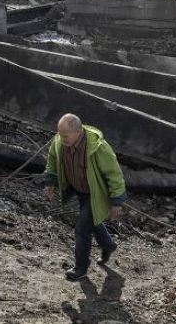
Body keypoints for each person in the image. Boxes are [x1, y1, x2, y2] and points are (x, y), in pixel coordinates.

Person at [43, 114, 127, 281]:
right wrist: (50, 183)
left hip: (96, 193)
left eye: (65, 135)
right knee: (92, 220)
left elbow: (114, 175)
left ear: (79, 131)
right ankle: (108, 245)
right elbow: (52, 160)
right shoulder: (60, 141)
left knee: (82, 228)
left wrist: (116, 201)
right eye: (60, 134)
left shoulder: (98, 147)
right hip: (79, 189)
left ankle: (81, 268)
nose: (61, 138)